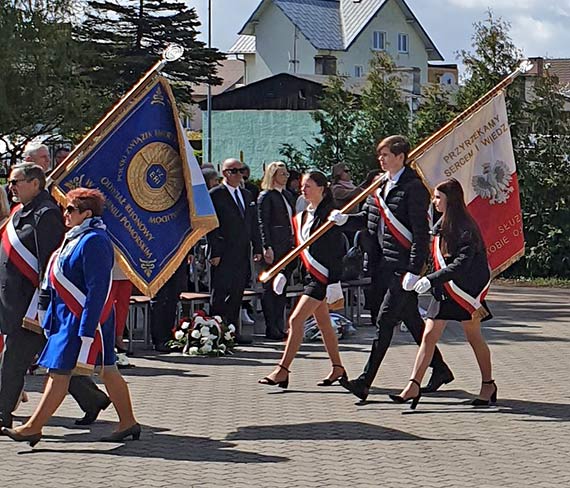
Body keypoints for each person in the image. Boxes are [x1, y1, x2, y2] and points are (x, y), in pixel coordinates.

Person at [2, 188, 139, 446]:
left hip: (84, 320)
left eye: (71, 209)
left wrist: (88, 328)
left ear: (86, 213)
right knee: (108, 371)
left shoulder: (95, 240)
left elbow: (99, 288)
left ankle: (33, 427)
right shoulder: (75, 238)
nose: (65, 213)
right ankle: (128, 422)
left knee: (60, 372)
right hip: (67, 318)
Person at [329, 135, 453, 401]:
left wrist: (413, 269)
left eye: (386, 155)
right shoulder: (379, 186)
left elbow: (420, 232)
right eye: (380, 155)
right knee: (413, 321)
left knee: (385, 322)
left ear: (401, 157)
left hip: (401, 267)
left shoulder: (414, 188)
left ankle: (364, 381)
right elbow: (370, 219)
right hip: (381, 265)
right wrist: (345, 221)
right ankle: (440, 370)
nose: (381, 159)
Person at [0, 166, 110, 429]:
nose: (11, 186)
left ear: (36, 183)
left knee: (14, 360)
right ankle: (92, 399)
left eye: (16, 181)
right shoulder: (20, 211)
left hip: (31, 305)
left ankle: (2, 413)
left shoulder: (46, 214)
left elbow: (49, 265)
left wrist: (41, 306)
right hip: (13, 299)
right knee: (57, 361)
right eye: (10, 181)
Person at [389, 178, 495, 409]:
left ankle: (488, 384)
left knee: (473, 337)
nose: (434, 201)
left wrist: (430, 279)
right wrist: (418, 274)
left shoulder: (466, 227)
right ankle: (413, 385)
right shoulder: (439, 223)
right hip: (444, 291)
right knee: (428, 337)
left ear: (451, 199)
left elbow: (462, 264)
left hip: (464, 292)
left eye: (438, 197)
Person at [258, 170, 346, 388]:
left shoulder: (331, 214)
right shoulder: (303, 216)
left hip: (323, 278)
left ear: (322, 188)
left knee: (295, 321)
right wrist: (283, 273)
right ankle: (338, 368)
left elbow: (336, 251)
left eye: (308, 186)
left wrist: (334, 281)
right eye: (303, 186)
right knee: (324, 324)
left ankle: (282, 370)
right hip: (309, 275)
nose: (303, 190)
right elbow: (297, 250)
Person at [207, 158, 262, 340]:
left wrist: (258, 247)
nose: (239, 174)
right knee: (220, 292)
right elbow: (212, 226)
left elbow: (253, 223)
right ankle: (217, 331)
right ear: (225, 173)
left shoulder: (246, 195)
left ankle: (232, 331)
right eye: (234, 171)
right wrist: (214, 252)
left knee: (237, 292)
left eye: (241, 170)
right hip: (223, 251)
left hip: (242, 250)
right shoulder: (215, 194)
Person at [257, 162, 295, 340]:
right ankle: (271, 326)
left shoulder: (287, 195)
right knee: (270, 287)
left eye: (286, 174)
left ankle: (280, 325)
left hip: (287, 246)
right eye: (282, 174)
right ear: (273, 176)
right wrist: (266, 246)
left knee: (282, 287)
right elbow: (262, 223)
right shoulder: (266, 196)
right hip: (274, 246)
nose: (286, 177)